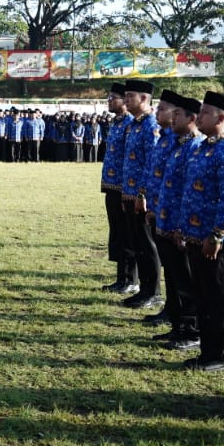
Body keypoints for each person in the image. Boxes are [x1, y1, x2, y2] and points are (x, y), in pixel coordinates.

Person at [177, 90, 224, 372]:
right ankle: (207, 352)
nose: (199, 116)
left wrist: (217, 235)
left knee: (219, 298)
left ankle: (221, 356)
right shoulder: (203, 147)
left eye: (204, 113)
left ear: (220, 118)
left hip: (217, 241)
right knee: (204, 296)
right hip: (196, 235)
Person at [147, 91, 203, 351]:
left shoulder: (194, 146)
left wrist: (182, 226)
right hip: (166, 220)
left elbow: (189, 192)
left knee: (187, 280)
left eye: (176, 113)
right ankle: (178, 324)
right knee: (175, 276)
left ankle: (191, 329)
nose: (170, 117)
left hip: (181, 225)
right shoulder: (179, 143)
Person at [118, 80, 162, 307]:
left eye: (130, 96)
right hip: (129, 193)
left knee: (147, 244)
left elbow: (152, 163)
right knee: (137, 244)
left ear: (144, 98)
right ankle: (144, 289)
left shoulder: (150, 125)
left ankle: (153, 291)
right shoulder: (135, 124)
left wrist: (142, 194)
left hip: (141, 197)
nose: (126, 100)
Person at [98, 85, 130, 293]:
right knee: (117, 232)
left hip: (123, 188)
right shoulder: (116, 123)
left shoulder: (129, 124)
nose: (109, 101)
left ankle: (130, 278)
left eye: (113, 98)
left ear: (125, 101)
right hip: (111, 185)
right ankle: (122, 278)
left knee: (127, 233)